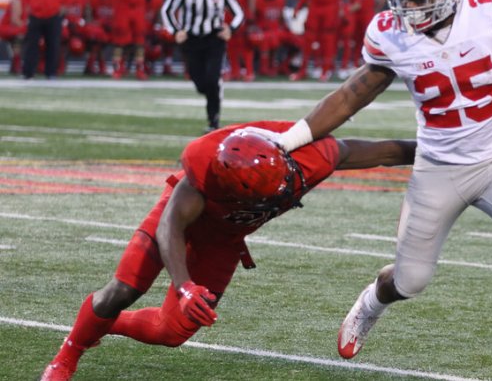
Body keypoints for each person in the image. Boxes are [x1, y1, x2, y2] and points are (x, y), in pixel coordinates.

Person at [253, 0, 492, 381]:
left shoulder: (489, 9)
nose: (408, 4)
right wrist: (293, 137)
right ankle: (373, 301)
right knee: (409, 281)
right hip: (438, 169)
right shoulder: (391, 34)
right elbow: (352, 95)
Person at [39, 123, 416, 381]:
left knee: (173, 333)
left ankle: (107, 325)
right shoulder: (202, 171)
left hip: (224, 238)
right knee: (124, 289)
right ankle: (66, 356)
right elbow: (171, 227)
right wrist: (184, 287)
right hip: (184, 220)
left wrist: (442, 151)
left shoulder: (313, 155)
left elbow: (385, 152)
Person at [160, 0, 244, 132]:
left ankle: (213, 122)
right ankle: (214, 96)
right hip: (192, 41)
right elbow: (167, 9)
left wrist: (231, 29)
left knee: (212, 80)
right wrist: (176, 31)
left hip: (214, 40)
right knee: (200, 84)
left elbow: (239, 13)